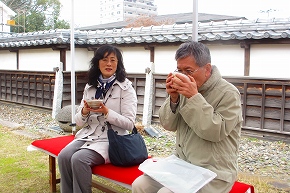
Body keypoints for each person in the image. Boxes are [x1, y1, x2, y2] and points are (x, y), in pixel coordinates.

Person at [132, 41, 243, 193]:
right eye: (179, 70)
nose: (183, 76)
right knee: (140, 184)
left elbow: (215, 131)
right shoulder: (185, 88)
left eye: (189, 70)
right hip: (183, 165)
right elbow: (168, 125)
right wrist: (173, 99)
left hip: (214, 171)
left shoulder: (228, 93)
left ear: (207, 69)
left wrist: (194, 97)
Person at [58, 45, 137, 193]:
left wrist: (107, 112)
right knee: (64, 156)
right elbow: (79, 122)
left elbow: (129, 124)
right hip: (88, 135)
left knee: (79, 159)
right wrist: (84, 111)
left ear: (118, 64)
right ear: (97, 63)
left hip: (112, 140)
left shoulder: (126, 88)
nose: (109, 64)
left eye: (113, 60)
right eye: (105, 59)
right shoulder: (90, 87)